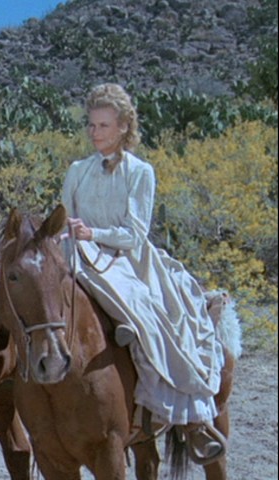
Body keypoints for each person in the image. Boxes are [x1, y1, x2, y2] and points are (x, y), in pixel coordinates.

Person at [61, 83, 227, 465]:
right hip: (77, 251)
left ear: (123, 127)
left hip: (126, 257)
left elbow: (135, 234)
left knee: (156, 316)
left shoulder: (140, 172)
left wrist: (93, 233)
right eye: (91, 124)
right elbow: (66, 215)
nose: (95, 132)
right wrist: (69, 232)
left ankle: (186, 413)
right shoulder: (77, 170)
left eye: (104, 125)